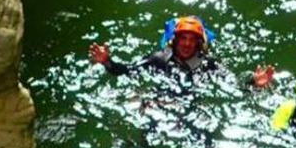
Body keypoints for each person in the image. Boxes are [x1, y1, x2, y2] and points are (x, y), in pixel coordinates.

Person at [88, 15, 274, 88]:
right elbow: (126, 71)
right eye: (183, 39)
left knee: (204, 141)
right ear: (174, 41)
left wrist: (254, 82)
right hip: (160, 102)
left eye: (192, 40)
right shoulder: (159, 59)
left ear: (199, 44)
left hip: (191, 105)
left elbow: (234, 85)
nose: (186, 44)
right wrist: (106, 61)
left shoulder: (209, 65)